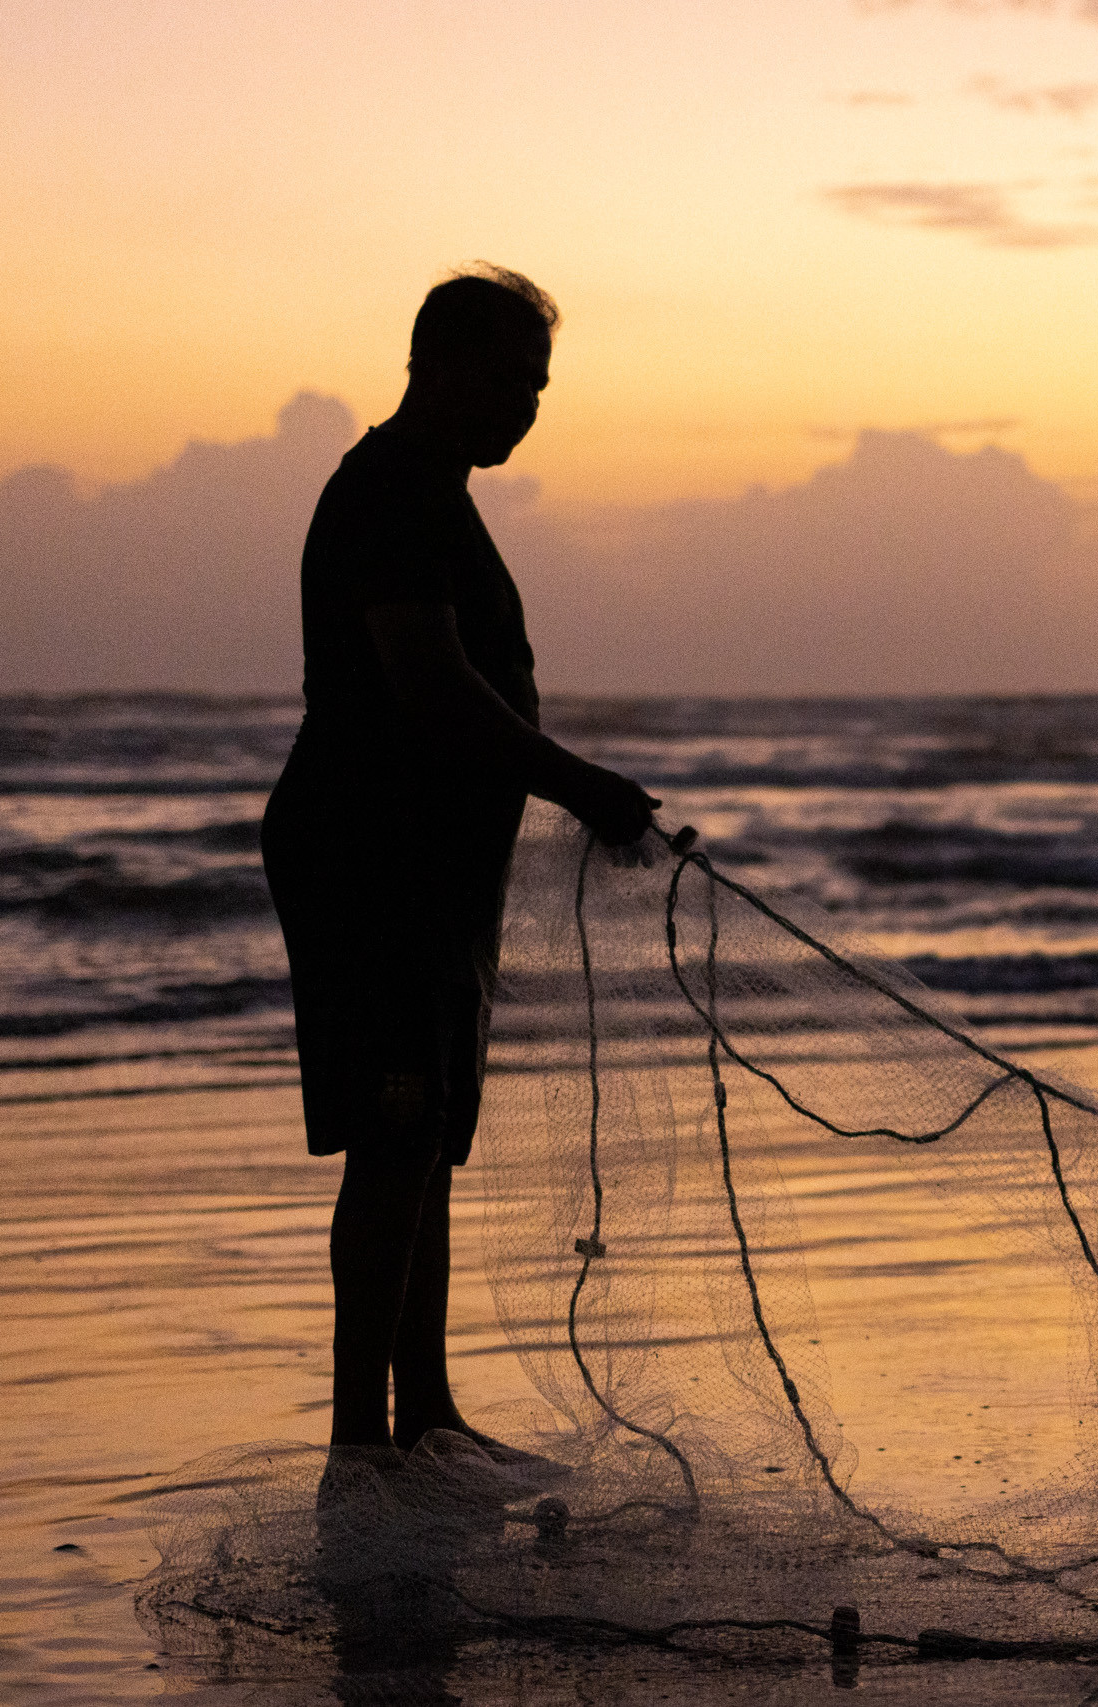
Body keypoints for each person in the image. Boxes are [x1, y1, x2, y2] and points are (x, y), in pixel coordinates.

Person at [261, 266, 668, 1492]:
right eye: (511, 382)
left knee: (427, 1132)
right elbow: (430, 684)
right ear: (437, 363)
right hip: (369, 858)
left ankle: (425, 1417)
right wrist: (582, 783)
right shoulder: (390, 489)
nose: (527, 410)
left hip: (433, 868)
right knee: (394, 1134)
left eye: (539, 390)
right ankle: (356, 1446)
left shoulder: (436, 489)